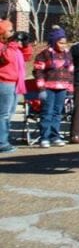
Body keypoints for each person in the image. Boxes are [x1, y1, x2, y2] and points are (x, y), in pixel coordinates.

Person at [33, 27, 74, 148]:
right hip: (48, 88)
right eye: (60, 42)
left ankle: (55, 136)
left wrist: (70, 88)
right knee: (47, 112)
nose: (63, 45)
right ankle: (44, 137)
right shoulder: (44, 54)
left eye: (64, 43)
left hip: (62, 88)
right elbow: (38, 72)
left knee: (57, 113)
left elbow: (71, 71)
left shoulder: (68, 54)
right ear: (53, 41)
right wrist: (41, 88)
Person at [0, 20, 32, 153]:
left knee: (10, 113)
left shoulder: (10, 45)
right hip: (4, 82)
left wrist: (25, 44)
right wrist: (13, 43)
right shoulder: (4, 47)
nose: (13, 33)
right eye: (10, 30)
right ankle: (2, 142)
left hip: (14, 82)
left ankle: (4, 138)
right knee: (3, 114)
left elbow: (26, 57)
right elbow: (7, 58)